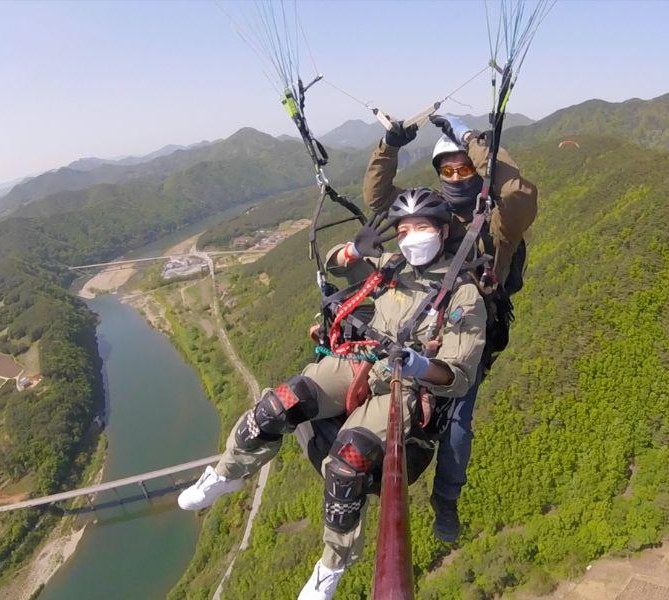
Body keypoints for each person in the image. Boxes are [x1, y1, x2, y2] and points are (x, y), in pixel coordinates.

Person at [177, 188, 487, 600]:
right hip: (362, 360)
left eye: (422, 227)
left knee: (347, 462)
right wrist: (354, 251)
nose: (413, 238)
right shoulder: (392, 265)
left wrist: (416, 364)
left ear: (442, 231)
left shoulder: (462, 294)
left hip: (406, 384)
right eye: (404, 230)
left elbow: (458, 377)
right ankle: (228, 473)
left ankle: (333, 563)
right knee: (279, 404)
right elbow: (334, 264)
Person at [362, 115, 538, 542]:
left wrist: (472, 140)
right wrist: (389, 146)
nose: (457, 177)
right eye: (448, 171)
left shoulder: (496, 224)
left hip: (468, 328)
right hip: (418, 321)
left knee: (458, 416)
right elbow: (378, 199)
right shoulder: (432, 210)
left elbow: (517, 196)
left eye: (466, 169)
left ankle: (446, 500)